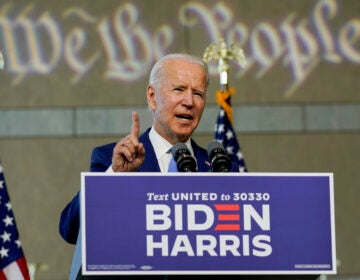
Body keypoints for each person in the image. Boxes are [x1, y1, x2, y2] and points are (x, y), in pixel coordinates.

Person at [59, 53, 240, 279]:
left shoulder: (219, 168)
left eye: (198, 93)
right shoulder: (112, 159)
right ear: (152, 97)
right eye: (179, 90)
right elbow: (70, 229)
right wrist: (114, 177)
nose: (189, 102)